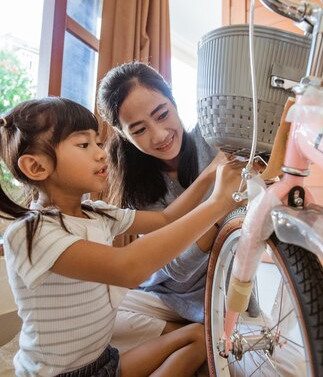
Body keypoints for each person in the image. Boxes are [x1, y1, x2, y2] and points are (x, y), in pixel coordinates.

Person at [0, 96, 243, 377]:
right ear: (37, 167)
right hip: (60, 375)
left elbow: (166, 218)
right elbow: (127, 268)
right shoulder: (31, 232)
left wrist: (211, 175)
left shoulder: (97, 213)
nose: (101, 153)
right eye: (84, 145)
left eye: (98, 143)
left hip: (104, 361)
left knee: (200, 336)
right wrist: (218, 204)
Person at [97, 62, 246, 351]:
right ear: (125, 136)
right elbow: (177, 269)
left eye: (162, 114)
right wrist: (218, 206)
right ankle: (190, 338)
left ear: (174, 102)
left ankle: (192, 340)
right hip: (162, 298)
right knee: (94, 330)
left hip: (222, 296)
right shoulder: (137, 185)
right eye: (139, 130)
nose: (159, 135)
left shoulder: (213, 137)